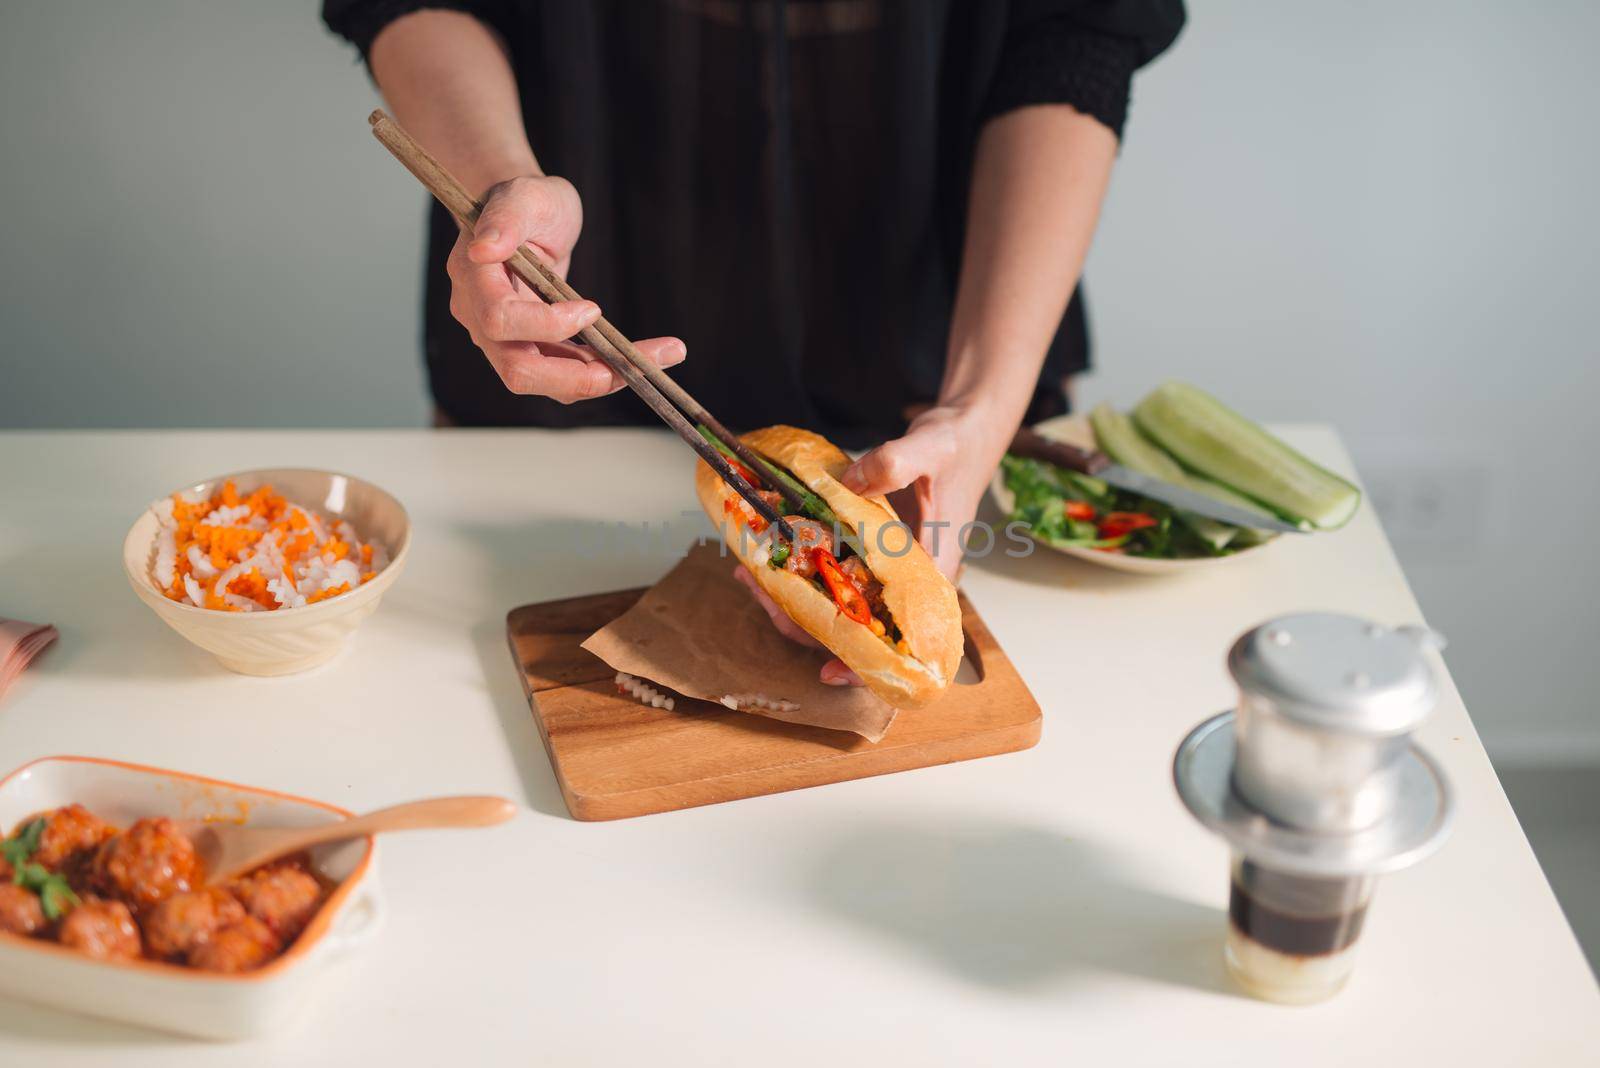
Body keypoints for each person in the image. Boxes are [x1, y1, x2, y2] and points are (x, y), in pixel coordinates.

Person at [323, 0, 1183, 673]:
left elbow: (1078, 28)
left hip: (944, 335)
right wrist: (499, 193)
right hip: (575, 313)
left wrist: (983, 401)